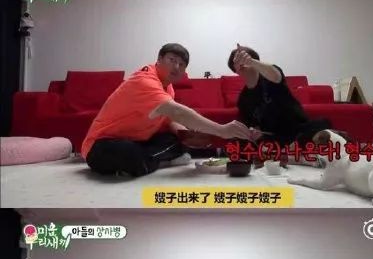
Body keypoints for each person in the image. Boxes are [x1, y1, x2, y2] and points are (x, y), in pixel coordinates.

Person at [82, 43, 255, 177]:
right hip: (101, 145)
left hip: (138, 141)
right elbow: (176, 111)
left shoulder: (168, 87)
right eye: (172, 60)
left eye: (181, 64)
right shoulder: (144, 79)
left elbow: (168, 120)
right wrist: (221, 130)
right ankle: (155, 162)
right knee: (130, 153)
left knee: (177, 141)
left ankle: (147, 162)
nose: (177, 67)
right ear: (159, 60)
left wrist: (186, 135)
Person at [227, 44, 332, 161]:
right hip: (273, 138)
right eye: (238, 62)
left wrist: (251, 61)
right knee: (234, 142)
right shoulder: (243, 100)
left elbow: (275, 75)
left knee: (323, 124)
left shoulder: (270, 77)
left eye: (245, 58)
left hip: (297, 131)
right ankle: (286, 154)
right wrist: (254, 132)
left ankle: (284, 153)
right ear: (234, 68)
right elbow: (252, 127)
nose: (242, 63)